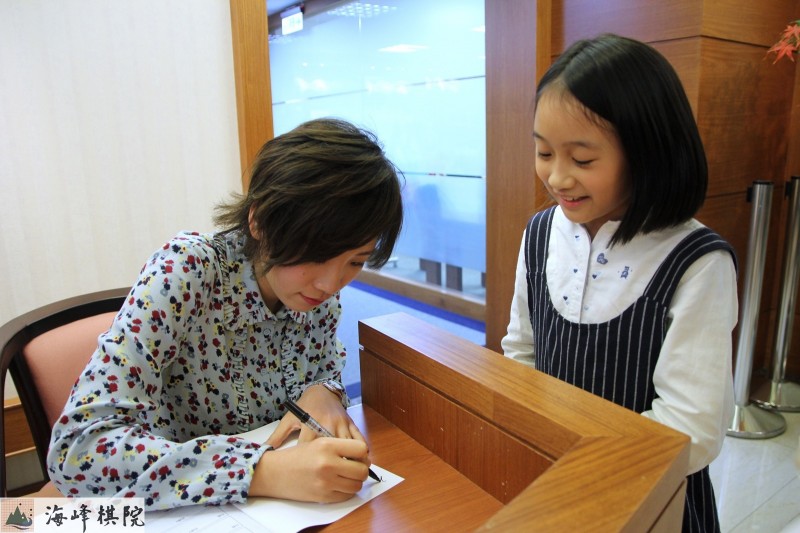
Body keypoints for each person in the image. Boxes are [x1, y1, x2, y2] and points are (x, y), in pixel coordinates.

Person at [47, 118, 404, 511]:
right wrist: (262, 472)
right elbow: (76, 452)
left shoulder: (316, 300)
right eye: (317, 254)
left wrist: (325, 392)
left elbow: (323, 369)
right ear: (259, 222)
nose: (331, 283)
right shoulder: (186, 273)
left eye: (355, 261)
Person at [501, 34, 737, 533]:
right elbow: (521, 352)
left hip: (649, 498)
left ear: (647, 153)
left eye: (582, 160)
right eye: (544, 152)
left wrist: (585, 472)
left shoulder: (695, 262)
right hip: (549, 481)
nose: (557, 178)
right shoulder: (540, 233)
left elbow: (692, 427)